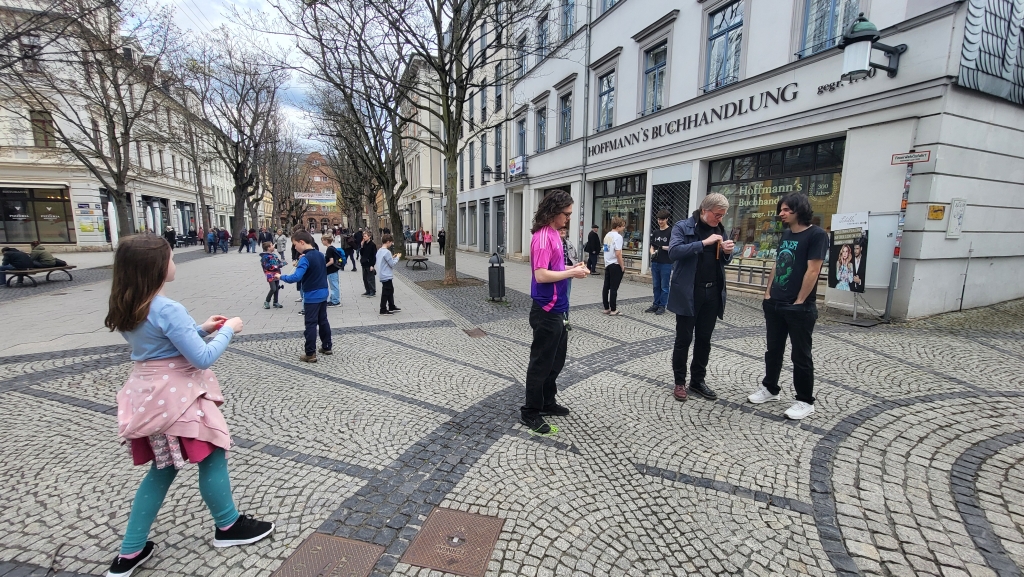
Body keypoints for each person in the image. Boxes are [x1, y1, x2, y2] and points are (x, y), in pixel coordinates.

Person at [102, 234, 273, 577]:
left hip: (149, 395)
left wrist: (200, 327)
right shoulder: (167, 308)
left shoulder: (130, 303)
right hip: (178, 397)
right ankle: (228, 526)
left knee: (163, 469)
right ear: (155, 268)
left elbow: (159, 344)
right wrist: (229, 331)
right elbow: (201, 357)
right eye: (169, 258)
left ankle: (130, 551)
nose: (174, 262)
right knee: (212, 451)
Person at [748, 193, 828, 420]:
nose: (780, 214)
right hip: (775, 302)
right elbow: (778, 264)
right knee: (773, 350)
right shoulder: (786, 234)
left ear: (798, 210)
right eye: (780, 209)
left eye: (785, 210)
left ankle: (805, 401)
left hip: (799, 307)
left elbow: (813, 270)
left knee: (801, 356)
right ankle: (770, 389)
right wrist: (768, 292)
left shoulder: (817, 235)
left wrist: (801, 301)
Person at [520, 190, 589, 434]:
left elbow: (554, 268)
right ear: (554, 212)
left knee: (555, 361)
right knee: (541, 363)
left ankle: (548, 402)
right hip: (545, 309)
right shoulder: (542, 237)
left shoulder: (553, 236)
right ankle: (530, 412)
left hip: (559, 308)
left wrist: (572, 267)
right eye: (567, 214)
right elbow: (541, 275)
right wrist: (571, 273)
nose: (569, 218)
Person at [667, 194, 734, 403]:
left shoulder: (720, 229)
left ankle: (697, 380)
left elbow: (724, 261)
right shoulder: (683, 227)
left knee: (704, 340)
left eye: (723, 216)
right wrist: (703, 242)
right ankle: (680, 382)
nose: (719, 219)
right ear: (705, 210)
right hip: (689, 292)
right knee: (684, 339)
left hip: (712, 292)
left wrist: (726, 252)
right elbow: (674, 252)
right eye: (717, 215)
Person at [276, 230, 332, 362]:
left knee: (311, 324)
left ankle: (310, 353)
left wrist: (280, 276)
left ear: (302, 242)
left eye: (295, 244)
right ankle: (327, 346)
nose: (295, 247)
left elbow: (296, 277)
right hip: (323, 292)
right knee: (323, 321)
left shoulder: (305, 258)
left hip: (312, 295)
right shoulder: (319, 254)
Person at [646, 211, 672, 314]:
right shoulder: (656, 232)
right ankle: (655, 304)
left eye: (662, 219)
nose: (660, 221)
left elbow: (673, 247)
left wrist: (661, 247)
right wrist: (652, 253)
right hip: (655, 262)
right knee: (656, 285)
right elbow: (652, 246)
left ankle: (662, 306)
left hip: (666, 262)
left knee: (664, 286)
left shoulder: (671, 232)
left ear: (666, 219)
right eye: (658, 219)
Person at [601, 218, 626, 315]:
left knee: (606, 286)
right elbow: (618, 253)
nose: (624, 228)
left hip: (608, 263)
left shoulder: (607, 235)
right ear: (618, 226)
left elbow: (606, 249)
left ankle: (606, 307)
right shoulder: (618, 237)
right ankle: (613, 309)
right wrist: (622, 266)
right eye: (623, 225)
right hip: (615, 264)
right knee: (614, 288)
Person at [375, 234, 402, 315]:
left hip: (382, 273)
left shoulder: (379, 250)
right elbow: (392, 264)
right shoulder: (387, 252)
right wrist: (397, 257)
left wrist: (392, 257)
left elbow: (385, 261)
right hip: (386, 274)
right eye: (391, 243)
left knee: (390, 290)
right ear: (387, 242)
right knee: (386, 292)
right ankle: (383, 309)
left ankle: (391, 306)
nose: (391, 244)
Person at [559, 227, 578, 331]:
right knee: (557, 298)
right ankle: (557, 320)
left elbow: (574, 257)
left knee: (566, 299)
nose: (562, 231)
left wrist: (575, 266)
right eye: (560, 230)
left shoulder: (569, 244)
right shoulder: (554, 244)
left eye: (564, 230)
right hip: (556, 274)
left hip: (567, 274)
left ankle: (565, 321)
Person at [259, 242, 285, 309]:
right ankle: (267, 301)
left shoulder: (274, 255)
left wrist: (282, 263)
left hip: (277, 274)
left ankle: (275, 302)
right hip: (270, 275)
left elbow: (279, 262)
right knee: (273, 288)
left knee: (277, 288)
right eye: (272, 245)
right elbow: (266, 266)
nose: (273, 246)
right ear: (268, 248)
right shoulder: (265, 257)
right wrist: (277, 266)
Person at [323, 233, 343, 307]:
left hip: (331, 270)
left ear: (326, 241)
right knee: (333, 285)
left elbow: (331, 261)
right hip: (334, 269)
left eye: (323, 240)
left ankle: (335, 301)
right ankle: (333, 299)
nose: (322, 242)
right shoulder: (332, 248)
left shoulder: (329, 249)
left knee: (334, 285)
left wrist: (324, 266)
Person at [360, 231, 377, 297]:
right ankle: (368, 290)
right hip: (364, 263)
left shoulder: (372, 245)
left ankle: (372, 291)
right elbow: (362, 253)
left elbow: (374, 256)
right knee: (365, 278)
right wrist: (361, 246)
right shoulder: (364, 244)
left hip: (369, 263)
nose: (364, 238)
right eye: (363, 236)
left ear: (369, 237)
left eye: (365, 236)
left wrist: (372, 265)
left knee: (370, 278)